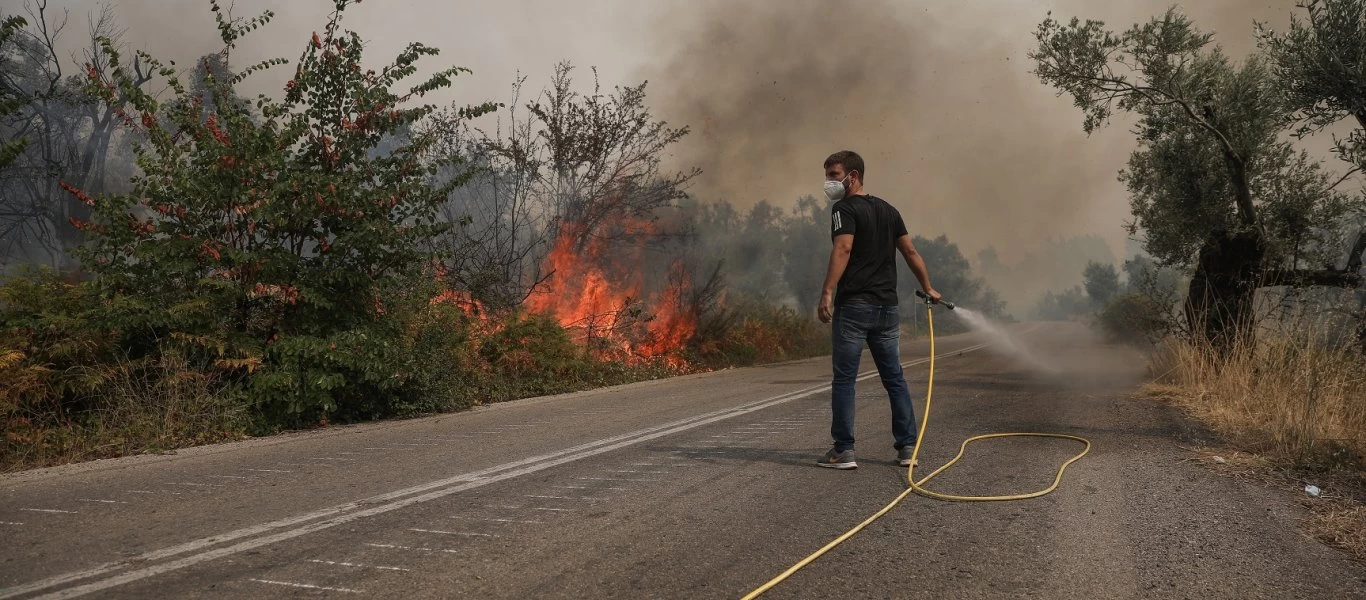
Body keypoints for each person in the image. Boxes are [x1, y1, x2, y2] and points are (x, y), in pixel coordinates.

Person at [815, 150, 941, 470]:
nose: (828, 181)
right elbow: (910, 250)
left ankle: (843, 450)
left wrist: (828, 291)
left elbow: (843, 248)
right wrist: (928, 286)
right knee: (894, 378)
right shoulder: (889, 210)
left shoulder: (844, 208)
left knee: (845, 380)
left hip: (855, 306)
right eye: (827, 174)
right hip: (888, 309)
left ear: (852, 176)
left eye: (833, 174)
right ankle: (908, 448)